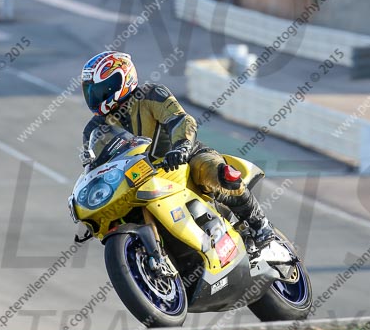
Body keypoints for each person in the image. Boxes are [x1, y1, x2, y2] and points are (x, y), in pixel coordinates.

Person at [80, 51, 275, 246]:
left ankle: (259, 224)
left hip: (180, 160)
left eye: (103, 88)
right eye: (91, 91)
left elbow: (181, 120)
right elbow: (94, 167)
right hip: (136, 180)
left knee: (216, 172)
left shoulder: (151, 95)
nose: (96, 96)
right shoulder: (93, 129)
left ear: (123, 79)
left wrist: (181, 147)